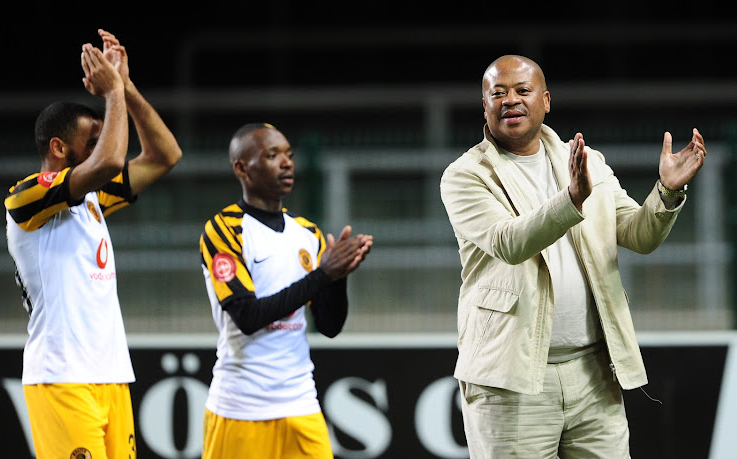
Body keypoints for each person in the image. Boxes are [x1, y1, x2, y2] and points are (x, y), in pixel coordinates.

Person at [439, 54, 705, 458]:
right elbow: (509, 242)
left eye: (522, 91)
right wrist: (570, 200)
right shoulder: (465, 175)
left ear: (546, 101)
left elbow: (638, 233)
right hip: (512, 380)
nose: (510, 100)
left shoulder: (586, 161)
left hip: (595, 373)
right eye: (498, 93)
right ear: (485, 106)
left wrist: (666, 192)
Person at [4, 29, 182, 458]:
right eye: (93, 139)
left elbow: (164, 155)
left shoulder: (92, 201)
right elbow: (110, 161)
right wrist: (112, 95)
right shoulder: (25, 198)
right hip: (61, 379)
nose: (104, 142)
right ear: (59, 148)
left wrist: (128, 89)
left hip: (111, 374)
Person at [198, 122, 373, 458]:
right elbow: (247, 316)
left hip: (300, 402)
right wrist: (323, 274)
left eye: (289, 155)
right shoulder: (223, 230)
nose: (287, 162)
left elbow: (329, 326)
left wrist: (339, 276)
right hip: (241, 407)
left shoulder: (307, 233)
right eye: (272, 155)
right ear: (241, 168)